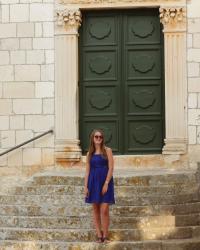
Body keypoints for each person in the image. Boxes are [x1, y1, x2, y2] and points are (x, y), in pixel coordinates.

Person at [84, 129, 115, 243]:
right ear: (92, 138)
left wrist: (106, 183)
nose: (98, 139)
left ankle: (106, 235)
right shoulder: (89, 154)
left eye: (100, 137)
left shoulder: (108, 151)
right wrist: (85, 186)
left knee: (105, 209)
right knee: (95, 209)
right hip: (93, 182)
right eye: (96, 137)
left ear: (103, 138)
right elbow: (87, 171)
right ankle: (99, 235)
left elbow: (111, 168)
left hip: (105, 182)